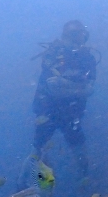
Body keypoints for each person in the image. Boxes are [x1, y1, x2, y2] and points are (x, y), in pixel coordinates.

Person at [32, 19, 98, 177]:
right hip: (48, 112)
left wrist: (64, 84)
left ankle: (84, 182)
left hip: (72, 115)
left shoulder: (88, 59)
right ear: (64, 37)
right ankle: (30, 185)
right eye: (72, 36)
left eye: (80, 36)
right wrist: (76, 89)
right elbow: (53, 88)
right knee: (39, 151)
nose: (76, 40)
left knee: (80, 152)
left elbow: (90, 89)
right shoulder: (53, 55)